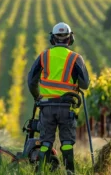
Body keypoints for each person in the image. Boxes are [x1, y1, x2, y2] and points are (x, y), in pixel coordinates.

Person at [27, 22, 90, 174]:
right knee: (67, 142)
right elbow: (85, 84)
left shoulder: (43, 56)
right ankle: (70, 172)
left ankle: (40, 172)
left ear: (52, 39)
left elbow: (31, 81)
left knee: (45, 142)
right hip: (66, 107)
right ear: (70, 39)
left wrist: (38, 97)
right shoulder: (76, 58)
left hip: (46, 107)